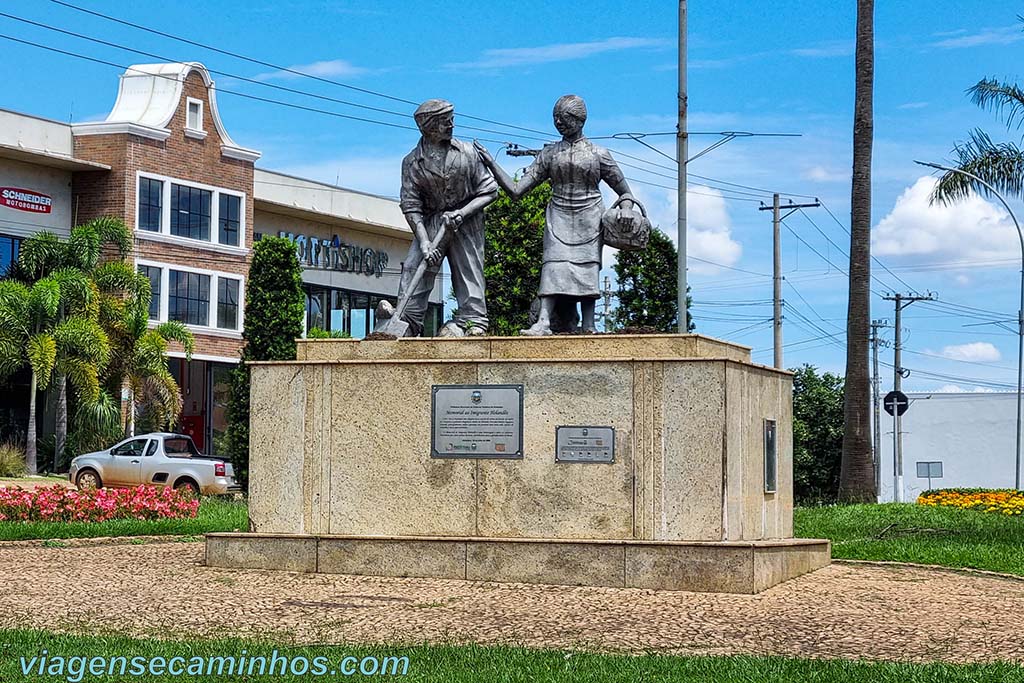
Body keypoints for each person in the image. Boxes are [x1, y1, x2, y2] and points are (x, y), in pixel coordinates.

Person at [475, 94, 637, 335]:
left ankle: (590, 324)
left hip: (590, 217)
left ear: (580, 120)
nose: (558, 123)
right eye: (555, 118)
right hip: (558, 215)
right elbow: (517, 190)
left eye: (564, 118)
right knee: (552, 267)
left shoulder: (599, 153)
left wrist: (625, 208)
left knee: (587, 268)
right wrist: (490, 162)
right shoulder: (549, 154)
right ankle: (543, 322)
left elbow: (625, 192)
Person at [377, 99, 498, 336]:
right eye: (445, 122)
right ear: (429, 127)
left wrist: (462, 213)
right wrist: (423, 240)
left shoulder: (468, 153)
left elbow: (490, 190)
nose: (451, 125)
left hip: (466, 220)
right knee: (415, 266)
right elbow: (411, 205)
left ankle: (472, 322)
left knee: (468, 269)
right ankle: (406, 320)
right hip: (432, 221)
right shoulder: (412, 162)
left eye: (452, 119)